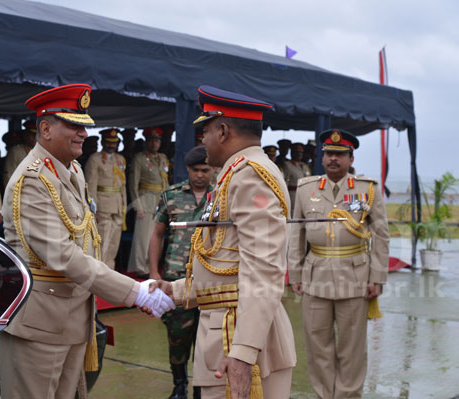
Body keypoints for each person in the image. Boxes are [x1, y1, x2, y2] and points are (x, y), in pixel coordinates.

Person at [0, 83, 175, 399]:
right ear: (45, 128)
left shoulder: (72, 169)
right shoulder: (32, 180)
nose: (82, 133)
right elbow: (63, 255)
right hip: (42, 322)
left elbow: (87, 240)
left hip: (73, 315)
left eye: (83, 126)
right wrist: (133, 291)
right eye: (72, 125)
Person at [152, 85, 297, 399]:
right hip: (224, 330)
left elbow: (264, 269)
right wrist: (176, 290)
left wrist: (244, 352)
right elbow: (223, 264)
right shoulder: (234, 174)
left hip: (236, 336)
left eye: (205, 130)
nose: (202, 140)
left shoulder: (250, 175)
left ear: (223, 130)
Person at [288, 128, 389, 399]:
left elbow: (380, 234)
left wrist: (377, 278)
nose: (333, 159)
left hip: (355, 277)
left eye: (340, 155)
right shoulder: (306, 188)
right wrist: (295, 272)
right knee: (317, 345)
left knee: (352, 347)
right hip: (315, 275)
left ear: (350, 159)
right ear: (322, 157)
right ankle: (324, 395)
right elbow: (296, 232)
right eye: (329, 154)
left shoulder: (367, 189)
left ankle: (347, 396)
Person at [148, 146, 214, 399]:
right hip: (176, 278)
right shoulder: (171, 195)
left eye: (205, 170)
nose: (200, 175)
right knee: (177, 336)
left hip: (209, 278)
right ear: (188, 169)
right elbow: (157, 234)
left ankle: (201, 387)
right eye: (195, 170)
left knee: (206, 339)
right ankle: (179, 385)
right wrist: (154, 272)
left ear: (212, 170)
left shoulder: (220, 197)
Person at [127, 127, 170, 277]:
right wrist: (137, 205)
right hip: (145, 199)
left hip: (160, 200)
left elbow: (165, 181)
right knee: (143, 238)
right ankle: (141, 268)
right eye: (151, 140)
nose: (154, 143)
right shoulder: (139, 158)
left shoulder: (162, 158)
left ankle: (152, 266)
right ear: (146, 142)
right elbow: (133, 184)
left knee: (157, 236)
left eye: (157, 140)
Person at [84, 128, 127, 269]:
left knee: (114, 244)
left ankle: (110, 272)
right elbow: (91, 186)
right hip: (103, 207)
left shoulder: (120, 159)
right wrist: (93, 209)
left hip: (117, 206)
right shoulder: (95, 159)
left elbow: (123, 185)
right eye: (108, 142)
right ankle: (99, 274)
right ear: (103, 142)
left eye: (114, 143)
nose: (111, 145)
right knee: (102, 243)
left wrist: (124, 205)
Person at [2, 119, 37, 188]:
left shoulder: (40, 152)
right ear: (25, 135)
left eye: (36, 135)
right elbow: (8, 176)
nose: (34, 138)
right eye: (32, 135)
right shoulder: (15, 152)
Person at [282, 142, 311, 213]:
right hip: (293, 195)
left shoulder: (305, 166)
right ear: (292, 153)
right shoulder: (287, 165)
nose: (299, 154)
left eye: (300, 152)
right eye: (296, 152)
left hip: (305, 194)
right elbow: (285, 183)